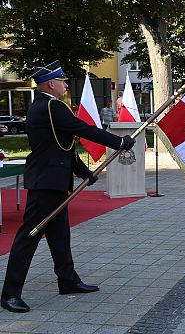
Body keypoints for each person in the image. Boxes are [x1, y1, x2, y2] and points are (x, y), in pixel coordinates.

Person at [0, 61, 136, 313]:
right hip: (45, 184)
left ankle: (68, 280)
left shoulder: (47, 107)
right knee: (28, 237)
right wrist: (119, 142)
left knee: (60, 235)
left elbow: (61, 145)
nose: (65, 85)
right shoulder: (51, 107)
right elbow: (83, 129)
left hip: (53, 182)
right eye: (61, 81)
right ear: (51, 84)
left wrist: (82, 172)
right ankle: (9, 294)